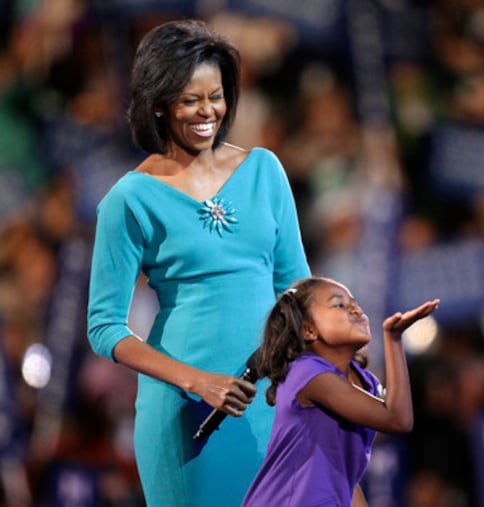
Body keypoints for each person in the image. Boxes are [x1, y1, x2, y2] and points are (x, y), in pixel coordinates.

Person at [86, 19, 310, 506]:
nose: (208, 111)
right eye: (191, 100)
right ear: (160, 105)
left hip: (269, 400)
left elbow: (296, 289)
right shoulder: (129, 198)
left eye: (216, 95)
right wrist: (196, 381)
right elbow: (104, 327)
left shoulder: (264, 171)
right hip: (186, 409)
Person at [241, 276, 439, 506]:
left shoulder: (367, 382)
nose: (355, 309)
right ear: (308, 330)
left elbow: (343, 473)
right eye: (339, 305)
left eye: (354, 303)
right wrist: (393, 339)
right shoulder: (307, 373)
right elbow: (397, 419)